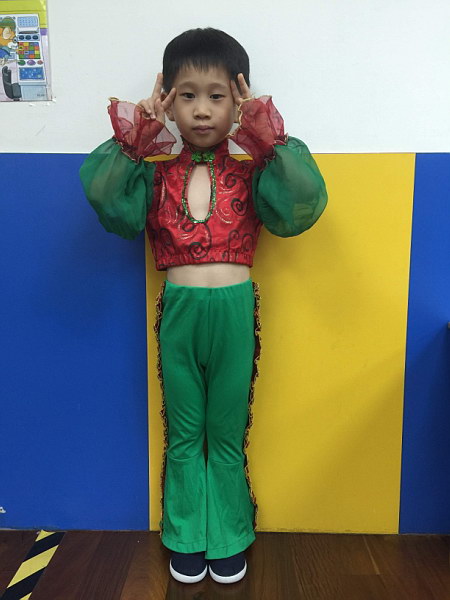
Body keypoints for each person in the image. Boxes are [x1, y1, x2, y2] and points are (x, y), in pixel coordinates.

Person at [79, 27, 328, 585]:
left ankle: (230, 534)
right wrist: (139, 134)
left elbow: (302, 203)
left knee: (227, 430)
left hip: (235, 311)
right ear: (168, 100)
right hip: (180, 312)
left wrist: (266, 137)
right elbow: (106, 198)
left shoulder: (253, 170)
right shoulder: (153, 173)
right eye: (186, 95)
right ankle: (187, 534)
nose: (200, 110)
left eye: (217, 96)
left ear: (238, 102)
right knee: (186, 430)